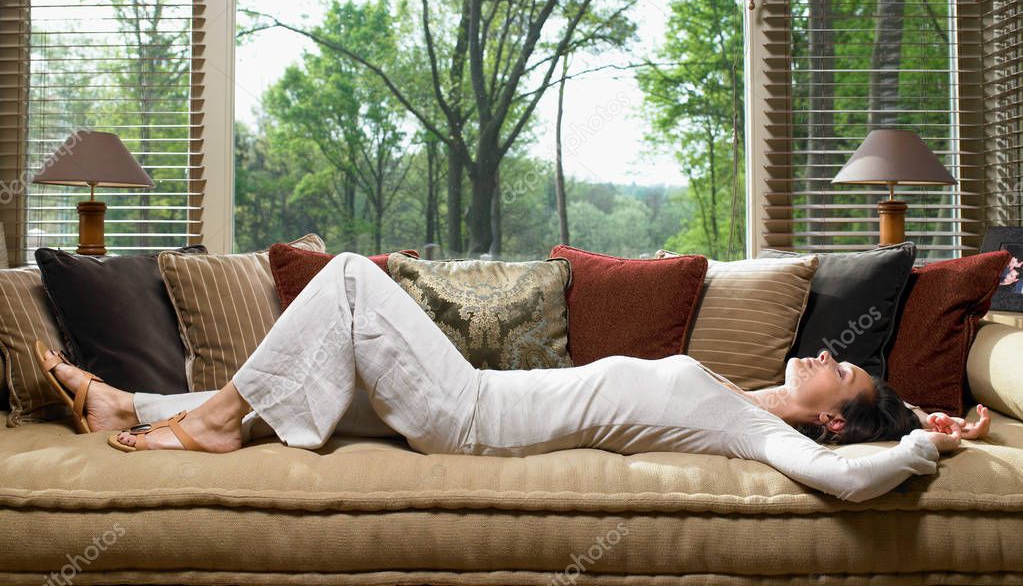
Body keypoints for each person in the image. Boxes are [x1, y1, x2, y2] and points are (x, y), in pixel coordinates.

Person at [37, 252, 991, 503]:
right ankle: (138, 404)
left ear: (828, 424)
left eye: (844, 376)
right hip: (470, 404)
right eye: (835, 354)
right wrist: (930, 423)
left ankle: (205, 427)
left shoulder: (765, 437)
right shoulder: (742, 398)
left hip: (475, 416)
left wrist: (911, 449)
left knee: (350, 283)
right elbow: (872, 439)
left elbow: (850, 476)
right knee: (326, 370)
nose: (827, 354)